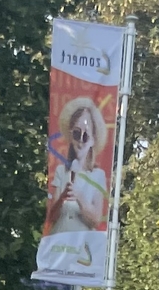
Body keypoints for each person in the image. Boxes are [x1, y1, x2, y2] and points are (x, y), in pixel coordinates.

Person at [44, 94, 111, 237]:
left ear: (93, 140)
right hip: (60, 246)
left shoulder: (98, 175)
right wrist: (62, 197)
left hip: (81, 248)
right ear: (70, 135)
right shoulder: (61, 171)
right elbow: (51, 218)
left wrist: (79, 197)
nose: (80, 141)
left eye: (85, 136)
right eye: (76, 134)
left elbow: (96, 220)